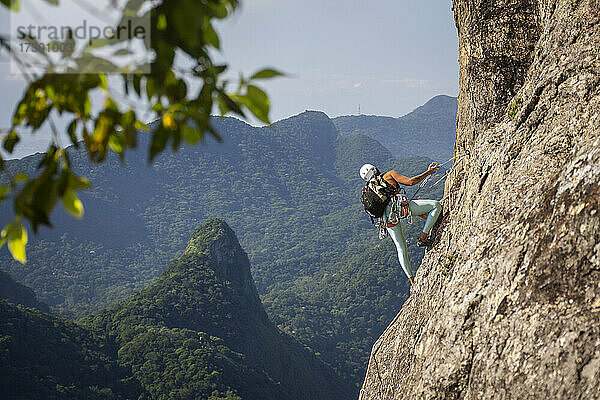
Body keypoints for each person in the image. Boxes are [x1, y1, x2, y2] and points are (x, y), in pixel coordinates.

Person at [359, 163, 443, 285]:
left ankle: (412, 280)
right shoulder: (389, 175)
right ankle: (423, 238)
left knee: (400, 248)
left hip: (387, 219)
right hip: (400, 209)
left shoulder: (370, 189)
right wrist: (428, 173)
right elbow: (411, 182)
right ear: (375, 169)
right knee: (436, 206)